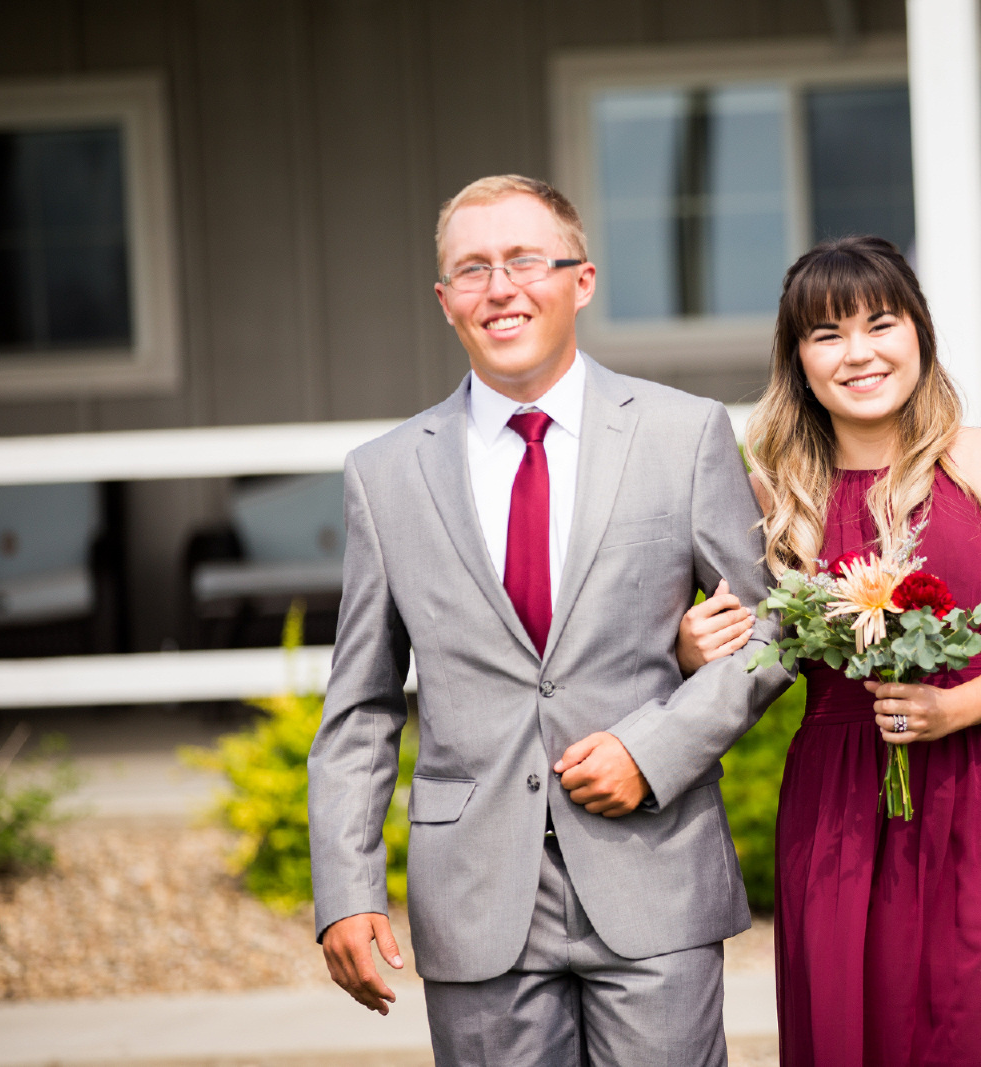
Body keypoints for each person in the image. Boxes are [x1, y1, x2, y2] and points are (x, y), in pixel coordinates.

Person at [307, 174, 792, 1065]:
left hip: (655, 874)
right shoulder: (384, 475)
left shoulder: (683, 434)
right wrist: (345, 888)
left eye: (526, 260)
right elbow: (361, 706)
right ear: (445, 298)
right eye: (473, 268)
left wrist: (652, 750)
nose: (501, 287)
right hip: (478, 899)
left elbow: (769, 630)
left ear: (583, 279)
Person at [682, 235, 981, 1065]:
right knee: (845, 1036)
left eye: (879, 323)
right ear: (798, 360)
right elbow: (746, 644)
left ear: (920, 333)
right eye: (826, 335)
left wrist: (954, 706)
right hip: (837, 800)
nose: (857, 353)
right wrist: (694, 647)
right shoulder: (773, 495)